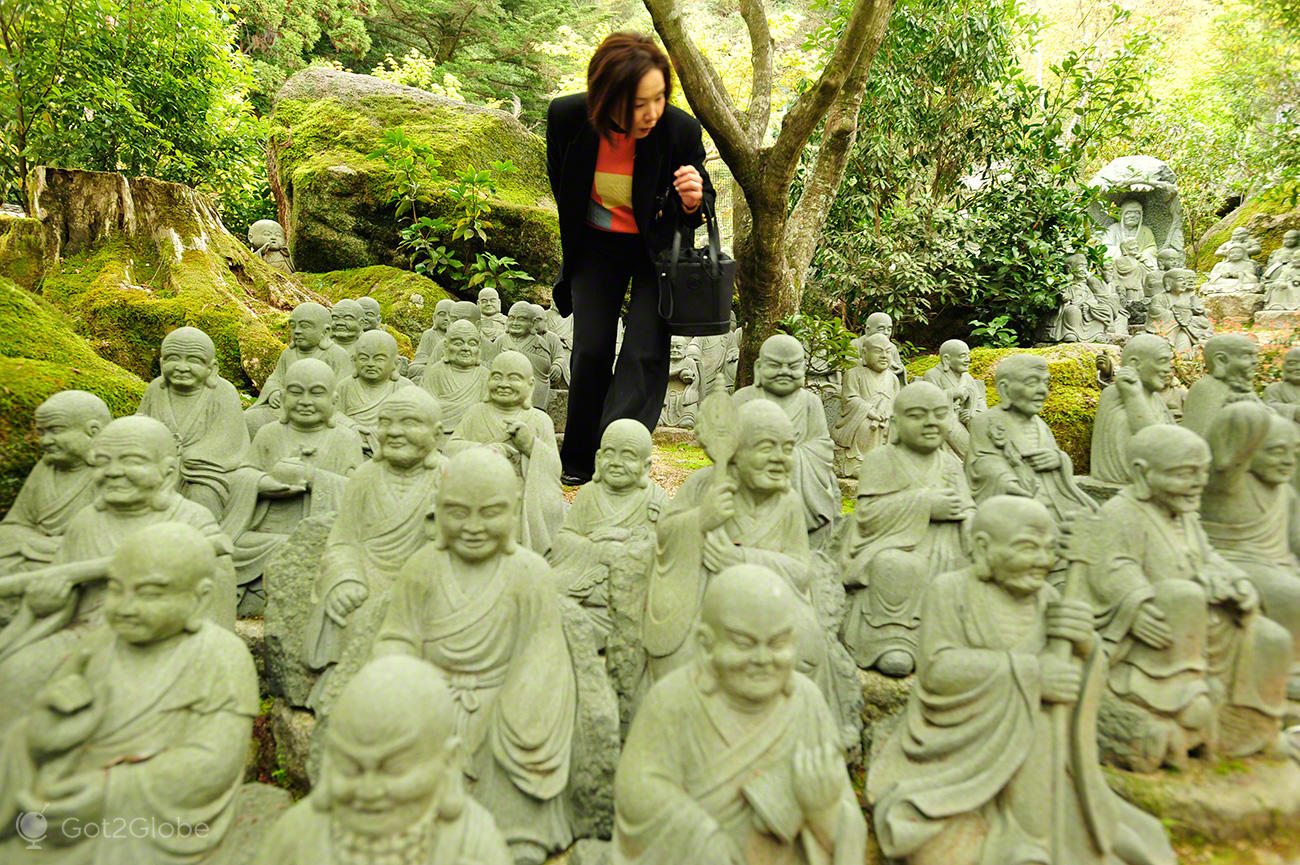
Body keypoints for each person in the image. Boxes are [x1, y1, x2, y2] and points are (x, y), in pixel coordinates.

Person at [868, 496, 1177, 865]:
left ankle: (1033, 840)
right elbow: (938, 671)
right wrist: (1030, 674)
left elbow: (1075, 677)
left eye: (1049, 550)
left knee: (1048, 740)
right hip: (961, 748)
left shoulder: (1048, 598)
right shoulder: (949, 590)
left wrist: (1085, 645)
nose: (1042, 561)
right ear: (983, 548)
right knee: (930, 845)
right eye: (1027, 548)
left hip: (1038, 751)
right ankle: (1020, 844)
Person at [0, 522, 258, 864]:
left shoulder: (221, 656)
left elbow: (217, 761)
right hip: (67, 798)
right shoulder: (99, 646)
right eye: (116, 589)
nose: (125, 606)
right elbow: (43, 739)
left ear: (199, 600)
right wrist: (47, 727)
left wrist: (110, 792)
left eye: (149, 593)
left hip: (149, 815)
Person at [374, 449, 576, 865]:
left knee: (507, 770)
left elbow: (542, 653)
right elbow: (397, 637)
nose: (473, 527)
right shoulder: (422, 569)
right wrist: (407, 686)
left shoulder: (529, 574)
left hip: (504, 705)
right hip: (429, 701)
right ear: (438, 510)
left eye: (490, 513)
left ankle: (515, 835)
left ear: (515, 508)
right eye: (457, 512)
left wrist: (514, 707)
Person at [614, 564, 867, 865]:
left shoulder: (807, 701)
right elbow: (637, 793)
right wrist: (704, 839)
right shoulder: (672, 700)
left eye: (777, 644)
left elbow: (844, 815)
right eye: (744, 644)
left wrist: (825, 813)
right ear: (706, 645)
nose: (762, 659)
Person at [547, 32, 715, 485]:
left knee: (644, 347)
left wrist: (692, 198)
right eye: (640, 102)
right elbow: (564, 187)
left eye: (660, 97)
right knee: (591, 348)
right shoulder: (566, 118)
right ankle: (579, 459)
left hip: (654, 250)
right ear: (607, 96)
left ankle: (618, 455)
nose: (652, 112)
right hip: (595, 246)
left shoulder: (678, 130)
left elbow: (701, 203)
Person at [253, 656, 511, 865]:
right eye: (350, 767)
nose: (368, 790)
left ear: (448, 762)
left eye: (394, 770)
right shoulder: (296, 837)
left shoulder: (474, 846)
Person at [0, 391, 110, 573]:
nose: (45, 441)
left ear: (93, 432)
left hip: (79, 562)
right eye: (41, 432)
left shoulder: (112, 473)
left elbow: (112, 534)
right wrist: (34, 543)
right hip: (35, 553)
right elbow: (15, 523)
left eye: (55, 430)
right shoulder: (46, 467)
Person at [1089, 334, 1176, 485]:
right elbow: (1152, 441)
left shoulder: (1154, 397)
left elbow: (1174, 443)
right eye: (1162, 361)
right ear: (1135, 364)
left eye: (1169, 362)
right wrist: (1133, 396)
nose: (1168, 369)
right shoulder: (1116, 394)